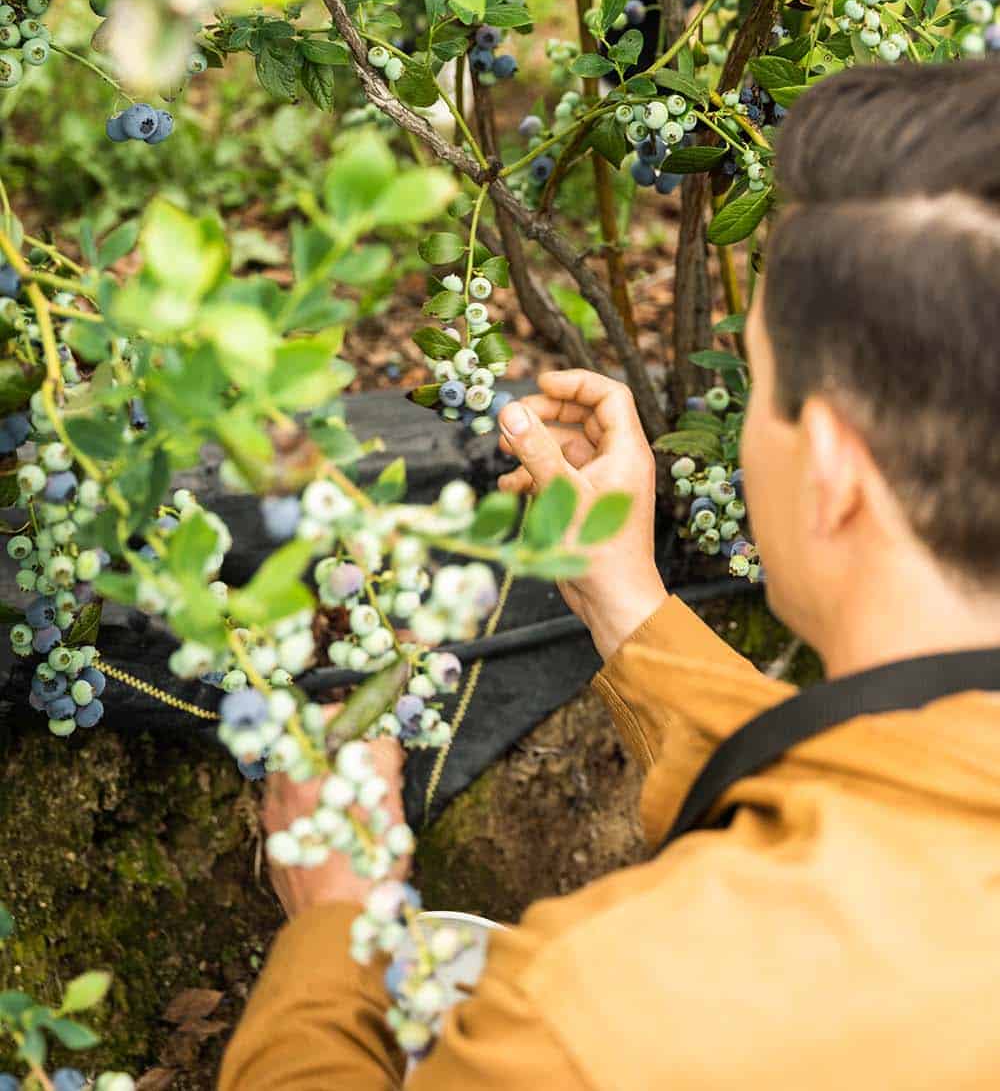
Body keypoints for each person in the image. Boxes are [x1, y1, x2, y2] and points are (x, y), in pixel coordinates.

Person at [219, 58, 1000, 1089]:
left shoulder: (594, 1023)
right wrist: (621, 597)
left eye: (758, 384)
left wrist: (334, 931)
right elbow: (904, 813)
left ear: (830, 469)